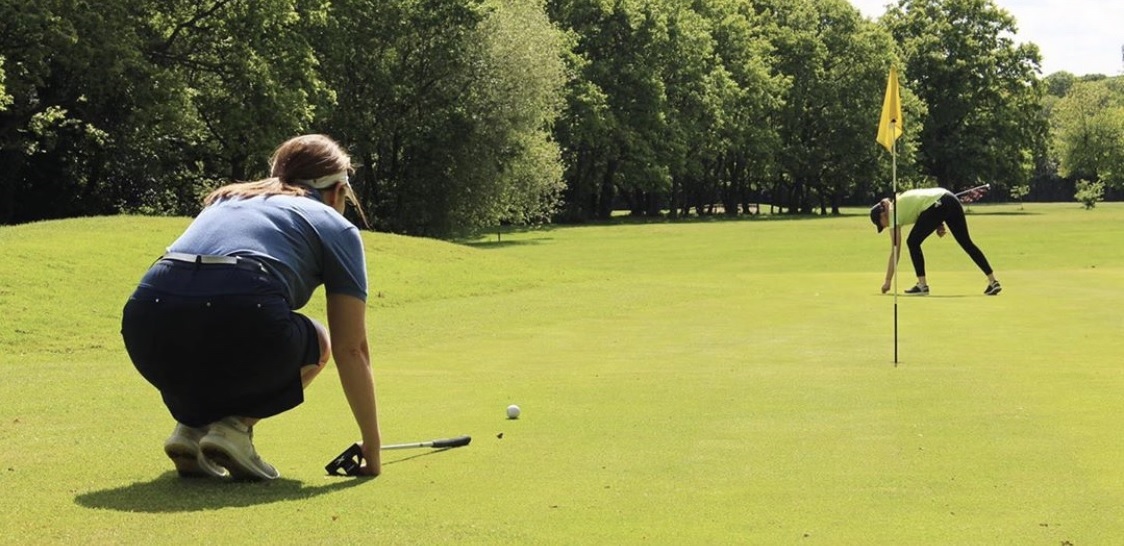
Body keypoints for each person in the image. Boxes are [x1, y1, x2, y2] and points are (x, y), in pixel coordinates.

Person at [121, 134, 382, 480]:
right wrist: (372, 447)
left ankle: (191, 429)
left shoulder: (226, 199)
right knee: (318, 341)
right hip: (240, 308)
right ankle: (233, 430)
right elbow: (352, 349)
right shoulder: (336, 225)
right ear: (337, 190)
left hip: (145, 323)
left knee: (213, 322)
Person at [870, 187, 1001, 296]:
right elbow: (923, 208)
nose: (885, 226)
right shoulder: (897, 204)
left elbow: (895, 251)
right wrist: (938, 223)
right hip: (948, 198)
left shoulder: (892, 214)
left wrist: (887, 281)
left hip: (939, 202)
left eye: (881, 224)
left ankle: (922, 285)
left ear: (882, 215)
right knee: (966, 243)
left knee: (913, 242)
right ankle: (993, 281)